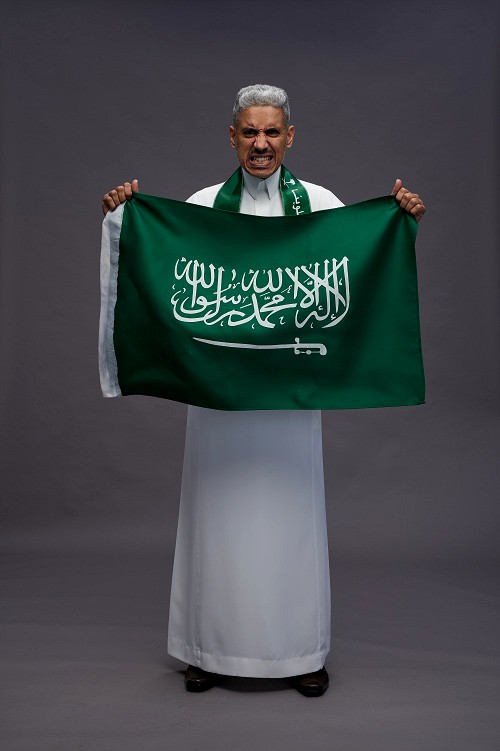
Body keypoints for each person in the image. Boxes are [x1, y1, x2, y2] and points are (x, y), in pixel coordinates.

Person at [102, 84, 426, 697]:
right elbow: (166, 276)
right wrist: (126, 216)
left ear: (290, 136)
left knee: (291, 518)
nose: (260, 144)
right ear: (232, 137)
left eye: (272, 131)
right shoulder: (203, 206)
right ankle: (207, 650)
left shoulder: (320, 204)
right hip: (218, 399)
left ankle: (300, 652)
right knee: (216, 515)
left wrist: (400, 219)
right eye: (249, 132)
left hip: (290, 399)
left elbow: (360, 266)